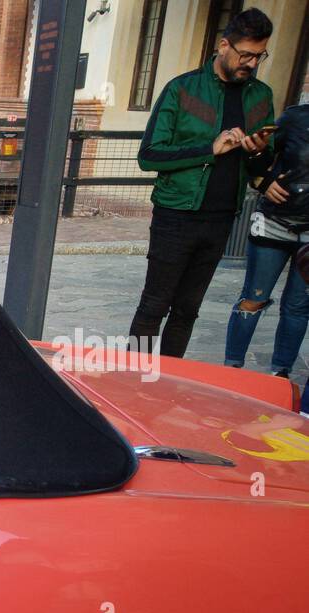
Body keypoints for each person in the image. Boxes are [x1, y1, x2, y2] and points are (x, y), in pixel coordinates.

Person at [127, 8, 275, 358]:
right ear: (224, 45)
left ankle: (166, 385)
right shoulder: (181, 89)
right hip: (175, 216)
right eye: (246, 54)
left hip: (221, 217)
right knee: (154, 306)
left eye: (260, 55)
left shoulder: (262, 96)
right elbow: (149, 155)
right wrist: (210, 148)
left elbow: (263, 164)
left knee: (187, 311)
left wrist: (257, 153)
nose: (252, 64)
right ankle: (131, 384)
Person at [224, 101, 309, 377]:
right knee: (253, 299)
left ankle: (281, 375)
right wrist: (264, 181)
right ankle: (232, 371)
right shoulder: (294, 118)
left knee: (298, 306)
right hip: (274, 222)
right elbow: (259, 159)